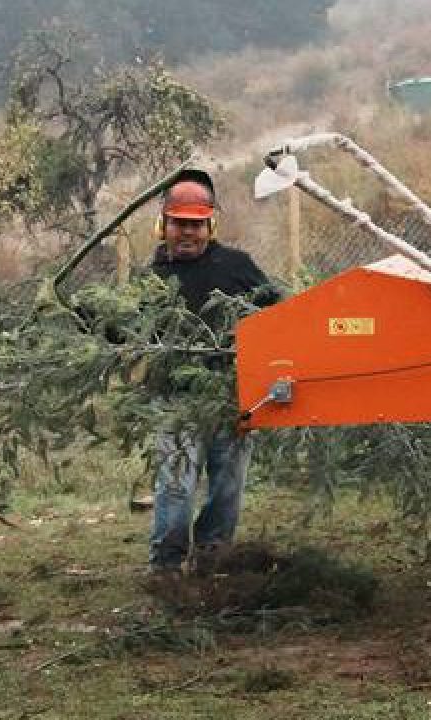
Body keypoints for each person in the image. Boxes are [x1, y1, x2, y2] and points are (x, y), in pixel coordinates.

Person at [147, 169, 278, 575]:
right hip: (176, 399)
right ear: (164, 226)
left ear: (210, 226)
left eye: (196, 224)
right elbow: (124, 331)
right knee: (176, 487)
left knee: (227, 486)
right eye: (179, 224)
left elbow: (275, 312)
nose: (188, 232)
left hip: (229, 394)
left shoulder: (236, 266)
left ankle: (212, 560)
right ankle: (167, 568)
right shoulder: (152, 279)